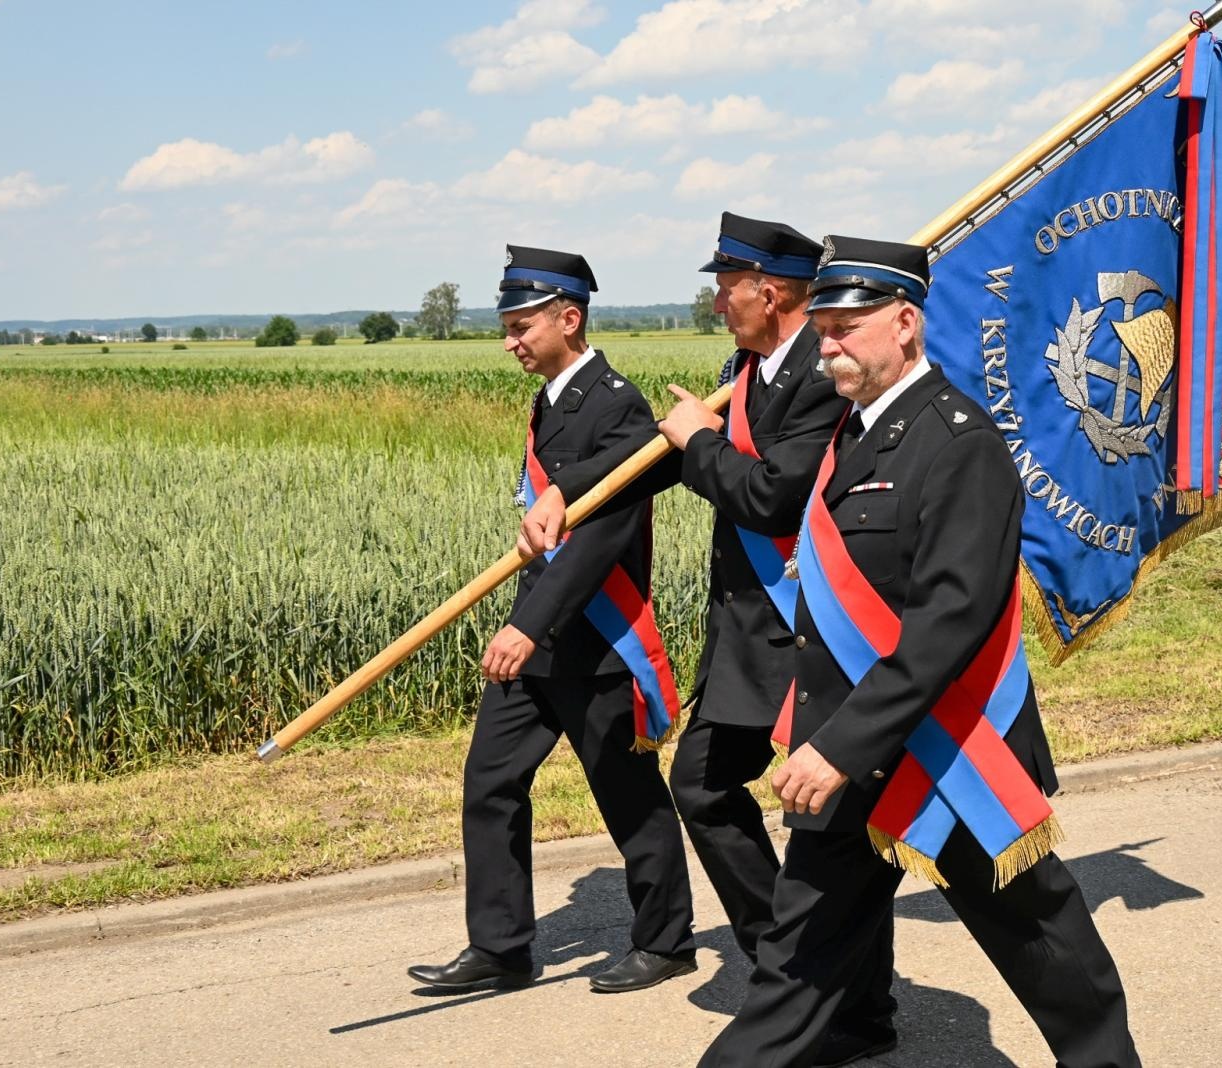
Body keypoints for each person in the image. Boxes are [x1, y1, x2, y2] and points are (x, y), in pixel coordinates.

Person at [696, 235, 1139, 1068]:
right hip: (851, 758)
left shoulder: (959, 442)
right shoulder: (851, 436)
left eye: (846, 328)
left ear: (905, 323)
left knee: (1051, 954)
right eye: (821, 328)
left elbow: (951, 619)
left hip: (949, 754)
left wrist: (837, 746)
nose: (828, 346)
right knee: (794, 967)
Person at [520, 215, 897, 1063]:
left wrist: (696, 442)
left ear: (769, 290)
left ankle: (840, 1000)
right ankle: (800, 970)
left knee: (821, 818)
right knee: (709, 785)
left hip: (811, 628)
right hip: (750, 633)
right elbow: (659, 455)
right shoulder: (750, 368)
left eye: (726, 283)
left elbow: (770, 495)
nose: (716, 296)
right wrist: (567, 494)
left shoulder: (822, 375)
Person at [407, 245, 696, 994]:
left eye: (520, 324)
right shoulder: (555, 398)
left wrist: (527, 625)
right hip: (539, 638)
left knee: (627, 795)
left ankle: (666, 941)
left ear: (569, 318)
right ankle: (501, 949)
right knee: (490, 782)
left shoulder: (617, 403)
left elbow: (602, 536)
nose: (509, 341)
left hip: (596, 641)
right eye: (505, 325)